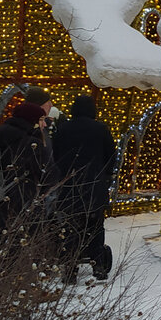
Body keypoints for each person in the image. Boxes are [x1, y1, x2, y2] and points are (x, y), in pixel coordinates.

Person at [52, 94, 116, 283]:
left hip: (69, 187)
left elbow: (55, 156)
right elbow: (110, 156)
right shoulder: (100, 129)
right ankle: (98, 267)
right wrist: (105, 176)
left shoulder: (63, 130)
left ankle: (70, 270)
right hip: (95, 187)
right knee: (95, 228)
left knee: (70, 228)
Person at [0, 100, 51, 275]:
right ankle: (21, 292)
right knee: (26, 250)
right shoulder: (31, 143)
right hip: (25, 202)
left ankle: (2, 290)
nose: (44, 124)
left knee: (3, 247)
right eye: (41, 120)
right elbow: (48, 175)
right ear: (31, 121)